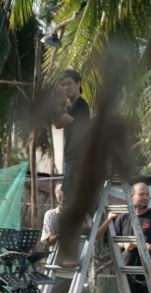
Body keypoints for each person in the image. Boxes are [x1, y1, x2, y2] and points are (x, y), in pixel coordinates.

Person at [96, 182, 151, 293]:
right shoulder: (122, 216)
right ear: (132, 196)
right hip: (126, 270)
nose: (145, 197)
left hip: (148, 271)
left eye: (147, 195)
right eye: (141, 194)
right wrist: (124, 244)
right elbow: (108, 240)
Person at [50, 69, 90, 197]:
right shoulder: (69, 108)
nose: (66, 87)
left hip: (79, 160)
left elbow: (59, 123)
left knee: (69, 199)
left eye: (69, 83)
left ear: (78, 84)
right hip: (71, 160)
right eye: (63, 85)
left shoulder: (81, 105)